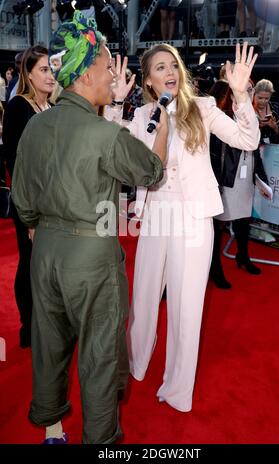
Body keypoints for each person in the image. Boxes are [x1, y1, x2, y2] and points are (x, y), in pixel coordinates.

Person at [11, 11, 166, 444]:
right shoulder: (103, 134)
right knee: (99, 355)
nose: (111, 78)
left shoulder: (35, 126)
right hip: (91, 260)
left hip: (46, 256)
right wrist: (163, 125)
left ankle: (52, 430)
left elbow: (22, 203)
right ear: (82, 75)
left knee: (49, 346)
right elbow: (151, 172)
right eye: (104, 68)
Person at [106, 41, 260, 412]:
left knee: (186, 305)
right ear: (148, 80)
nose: (170, 72)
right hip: (157, 210)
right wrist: (113, 106)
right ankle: (137, 364)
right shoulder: (143, 115)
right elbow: (112, 152)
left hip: (193, 216)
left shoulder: (203, 108)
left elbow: (248, 139)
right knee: (143, 297)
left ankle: (177, 388)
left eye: (172, 65)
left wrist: (240, 96)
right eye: (160, 68)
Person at [2, 45, 56, 348]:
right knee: (30, 261)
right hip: (31, 200)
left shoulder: (52, 107)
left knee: (48, 264)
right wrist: (30, 213)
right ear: (29, 74)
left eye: (52, 69)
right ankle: (28, 325)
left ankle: (47, 320)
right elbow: (13, 161)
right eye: (44, 70)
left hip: (55, 200)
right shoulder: (18, 106)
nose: (51, 75)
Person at [209, 79, 269, 289]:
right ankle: (214, 267)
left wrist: (262, 179)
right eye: (246, 89)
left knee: (243, 221)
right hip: (226, 179)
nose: (250, 93)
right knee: (217, 225)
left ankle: (243, 257)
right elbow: (214, 155)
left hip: (245, 178)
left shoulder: (250, 116)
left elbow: (255, 153)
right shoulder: (219, 117)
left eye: (251, 89)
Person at [253, 79, 279, 144]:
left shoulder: (277, 108)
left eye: (266, 98)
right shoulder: (248, 109)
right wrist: (257, 127)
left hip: (274, 148)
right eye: (260, 98)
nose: (263, 101)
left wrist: (275, 127)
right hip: (253, 148)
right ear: (254, 94)